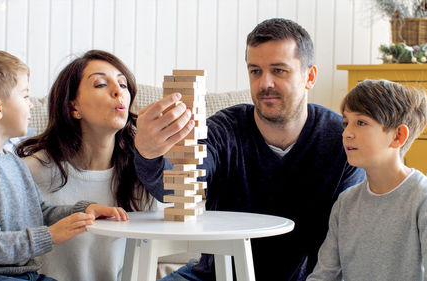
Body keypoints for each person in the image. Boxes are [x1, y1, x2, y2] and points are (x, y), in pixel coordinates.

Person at [133, 18, 366, 280]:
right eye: (255, 71)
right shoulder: (222, 130)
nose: (265, 83)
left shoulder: (341, 139)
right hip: (215, 275)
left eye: (279, 70)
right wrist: (147, 151)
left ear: (309, 76)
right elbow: (173, 190)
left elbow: (349, 236)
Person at [0, 49, 129, 281]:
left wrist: (82, 210)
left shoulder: (11, 160)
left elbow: (39, 212)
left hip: (21, 275)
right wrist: (50, 235)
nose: (31, 105)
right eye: (25, 96)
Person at [16, 50, 153, 281]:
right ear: (73, 107)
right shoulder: (30, 172)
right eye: (100, 84)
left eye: (123, 84)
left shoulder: (143, 174)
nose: (118, 91)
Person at [307, 79, 427, 281]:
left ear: (398, 135)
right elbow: (323, 276)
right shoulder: (345, 204)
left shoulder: (424, 199)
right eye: (346, 123)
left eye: (361, 122)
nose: (347, 133)